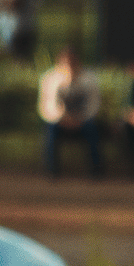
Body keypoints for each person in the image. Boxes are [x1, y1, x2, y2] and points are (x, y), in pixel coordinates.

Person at [37, 45, 104, 180]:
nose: (69, 66)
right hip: (59, 122)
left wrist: (80, 119)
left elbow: (94, 105)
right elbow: (46, 107)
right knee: (50, 131)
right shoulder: (49, 79)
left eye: (73, 62)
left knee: (92, 129)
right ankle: (52, 171)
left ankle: (96, 171)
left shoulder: (90, 79)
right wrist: (62, 118)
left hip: (83, 121)